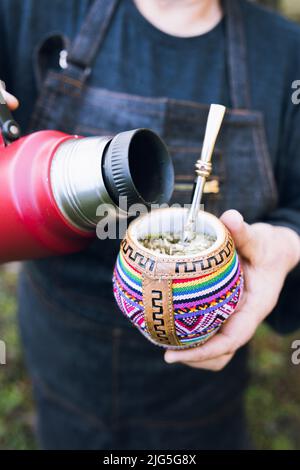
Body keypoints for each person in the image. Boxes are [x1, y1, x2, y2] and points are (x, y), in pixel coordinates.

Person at [1, 0, 300, 450]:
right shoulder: (31, 9)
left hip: (201, 385)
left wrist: (286, 242)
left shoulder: (285, 53)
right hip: (65, 348)